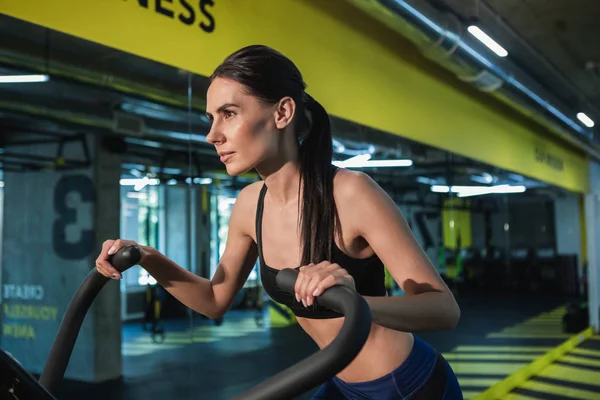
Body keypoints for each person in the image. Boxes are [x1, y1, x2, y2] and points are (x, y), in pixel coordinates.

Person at [96, 44, 463, 399]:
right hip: (340, 382)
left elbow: (443, 308)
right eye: (211, 119)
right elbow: (214, 300)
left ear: (283, 113)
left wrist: (354, 303)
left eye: (229, 113)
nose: (212, 135)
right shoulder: (249, 204)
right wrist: (146, 256)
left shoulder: (350, 193)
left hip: (407, 386)